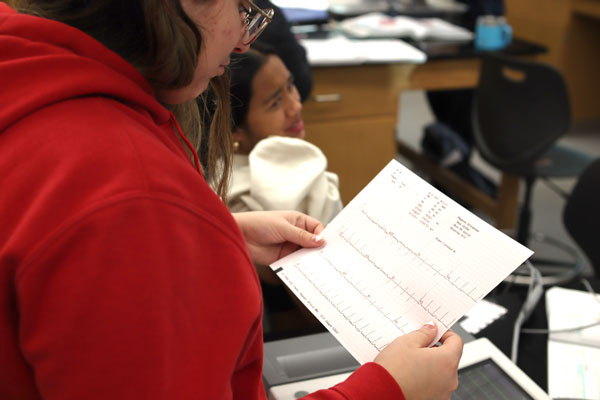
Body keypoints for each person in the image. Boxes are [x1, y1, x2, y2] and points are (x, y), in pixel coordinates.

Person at [0, 1, 463, 399]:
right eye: (241, 7)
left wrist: (207, 240)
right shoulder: (132, 198)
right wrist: (388, 390)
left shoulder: (25, 73)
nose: (244, 40)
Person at [226, 44, 342, 337]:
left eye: (291, 87)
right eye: (275, 103)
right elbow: (325, 316)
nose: (296, 106)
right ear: (236, 129)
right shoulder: (243, 197)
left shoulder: (293, 164)